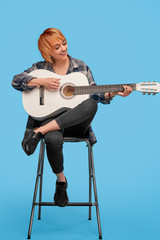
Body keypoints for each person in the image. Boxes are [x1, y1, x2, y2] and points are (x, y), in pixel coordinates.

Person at [12, 28, 132, 207]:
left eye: (64, 43)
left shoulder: (81, 67)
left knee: (91, 104)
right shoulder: (40, 68)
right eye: (57, 46)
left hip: (77, 122)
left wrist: (113, 93)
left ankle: (39, 131)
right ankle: (61, 182)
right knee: (52, 138)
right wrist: (41, 82)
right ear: (47, 51)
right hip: (50, 119)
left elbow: (95, 94)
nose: (63, 49)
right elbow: (15, 81)